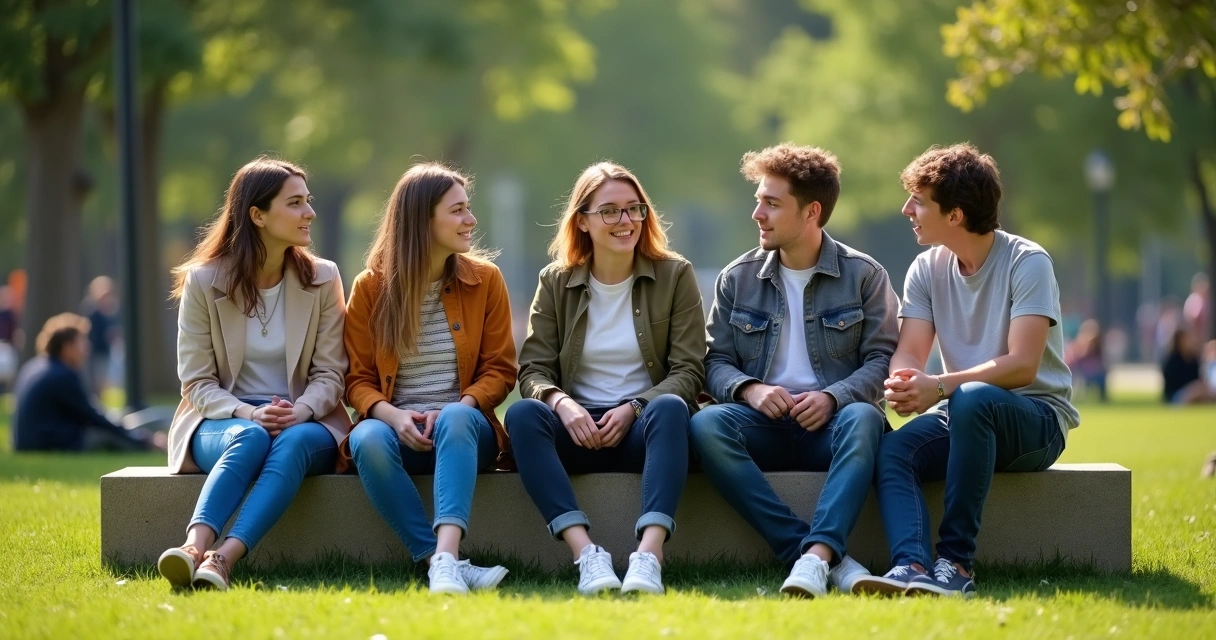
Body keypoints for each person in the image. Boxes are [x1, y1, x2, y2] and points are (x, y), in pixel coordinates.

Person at [854, 144, 1080, 599]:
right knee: (894, 450)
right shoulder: (926, 267)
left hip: (1036, 420)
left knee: (972, 397)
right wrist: (904, 380)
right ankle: (911, 566)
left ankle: (956, 564)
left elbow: (1022, 365)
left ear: (955, 214)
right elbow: (911, 350)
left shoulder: (1028, 262)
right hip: (964, 410)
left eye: (918, 201)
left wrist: (937, 386)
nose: (906, 210)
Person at [689, 144, 898, 598]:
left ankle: (818, 556)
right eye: (758, 200)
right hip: (762, 424)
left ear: (812, 212)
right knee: (706, 424)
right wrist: (750, 390)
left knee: (865, 418)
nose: (756, 214)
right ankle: (815, 556)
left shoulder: (865, 275)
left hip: (835, 428)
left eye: (771, 203)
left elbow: (883, 361)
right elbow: (714, 361)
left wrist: (833, 398)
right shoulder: (736, 277)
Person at [507, 162, 706, 595]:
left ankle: (649, 556)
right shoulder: (555, 281)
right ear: (582, 220)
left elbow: (689, 370)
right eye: (610, 211)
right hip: (577, 431)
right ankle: (587, 556)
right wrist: (562, 403)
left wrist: (635, 408)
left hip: (644, 430)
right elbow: (534, 369)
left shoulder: (675, 275)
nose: (625, 221)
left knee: (670, 406)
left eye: (634, 209)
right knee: (523, 415)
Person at [158, 157, 351, 591]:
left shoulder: (323, 278)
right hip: (225, 423)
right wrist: (248, 413)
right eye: (295, 203)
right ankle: (193, 547)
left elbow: (331, 374)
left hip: (309, 421)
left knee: (295, 440)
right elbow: (196, 383)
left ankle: (222, 559)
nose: (310, 213)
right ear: (258, 215)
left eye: (309, 201)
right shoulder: (204, 282)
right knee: (252, 436)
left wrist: (301, 411)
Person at [343, 163, 517, 595]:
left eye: (469, 208)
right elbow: (357, 378)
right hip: (397, 433)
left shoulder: (486, 280)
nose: (470, 220)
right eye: (457, 211)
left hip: (465, 433)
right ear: (423, 220)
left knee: (456, 420)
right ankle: (442, 563)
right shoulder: (370, 288)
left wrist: (463, 405)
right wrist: (392, 416)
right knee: (365, 438)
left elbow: (501, 370)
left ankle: (445, 552)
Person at [12, 313, 160, 452]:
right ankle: (151, 444)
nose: (87, 348)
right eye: (82, 342)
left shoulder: (34, 366)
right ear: (67, 347)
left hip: (26, 443)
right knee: (109, 435)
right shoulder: (62, 375)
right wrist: (141, 439)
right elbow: (93, 416)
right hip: (46, 443)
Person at [82, 276, 120, 396]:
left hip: (104, 351)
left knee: (102, 381)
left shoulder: (110, 311)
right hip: (93, 352)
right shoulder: (91, 311)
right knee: (94, 381)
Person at [1160, 328, 1215, 405]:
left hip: (1193, 391)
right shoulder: (1172, 361)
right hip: (1175, 395)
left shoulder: (1193, 359)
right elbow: (1172, 382)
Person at [1064, 319, 1107, 402]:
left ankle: (1103, 398)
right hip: (1082, 372)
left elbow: (1101, 360)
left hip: (1094, 372)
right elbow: (1074, 359)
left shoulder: (1097, 346)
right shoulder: (1079, 344)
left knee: (1103, 375)